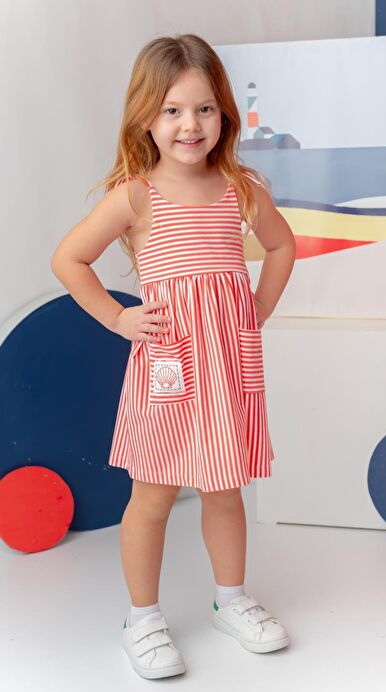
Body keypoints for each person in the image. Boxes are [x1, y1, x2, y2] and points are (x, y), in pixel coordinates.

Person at [50, 34, 296, 679]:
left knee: (225, 488)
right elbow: (69, 259)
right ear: (146, 117)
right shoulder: (136, 196)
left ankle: (232, 600)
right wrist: (117, 318)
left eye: (205, 108)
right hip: (169, 367)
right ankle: (143, 618)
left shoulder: (240, 187)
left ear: (224, 114)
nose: (191, 125)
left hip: (228, 367)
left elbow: (282, 247)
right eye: (172, 110)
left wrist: (257, 309)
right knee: (153, 495)